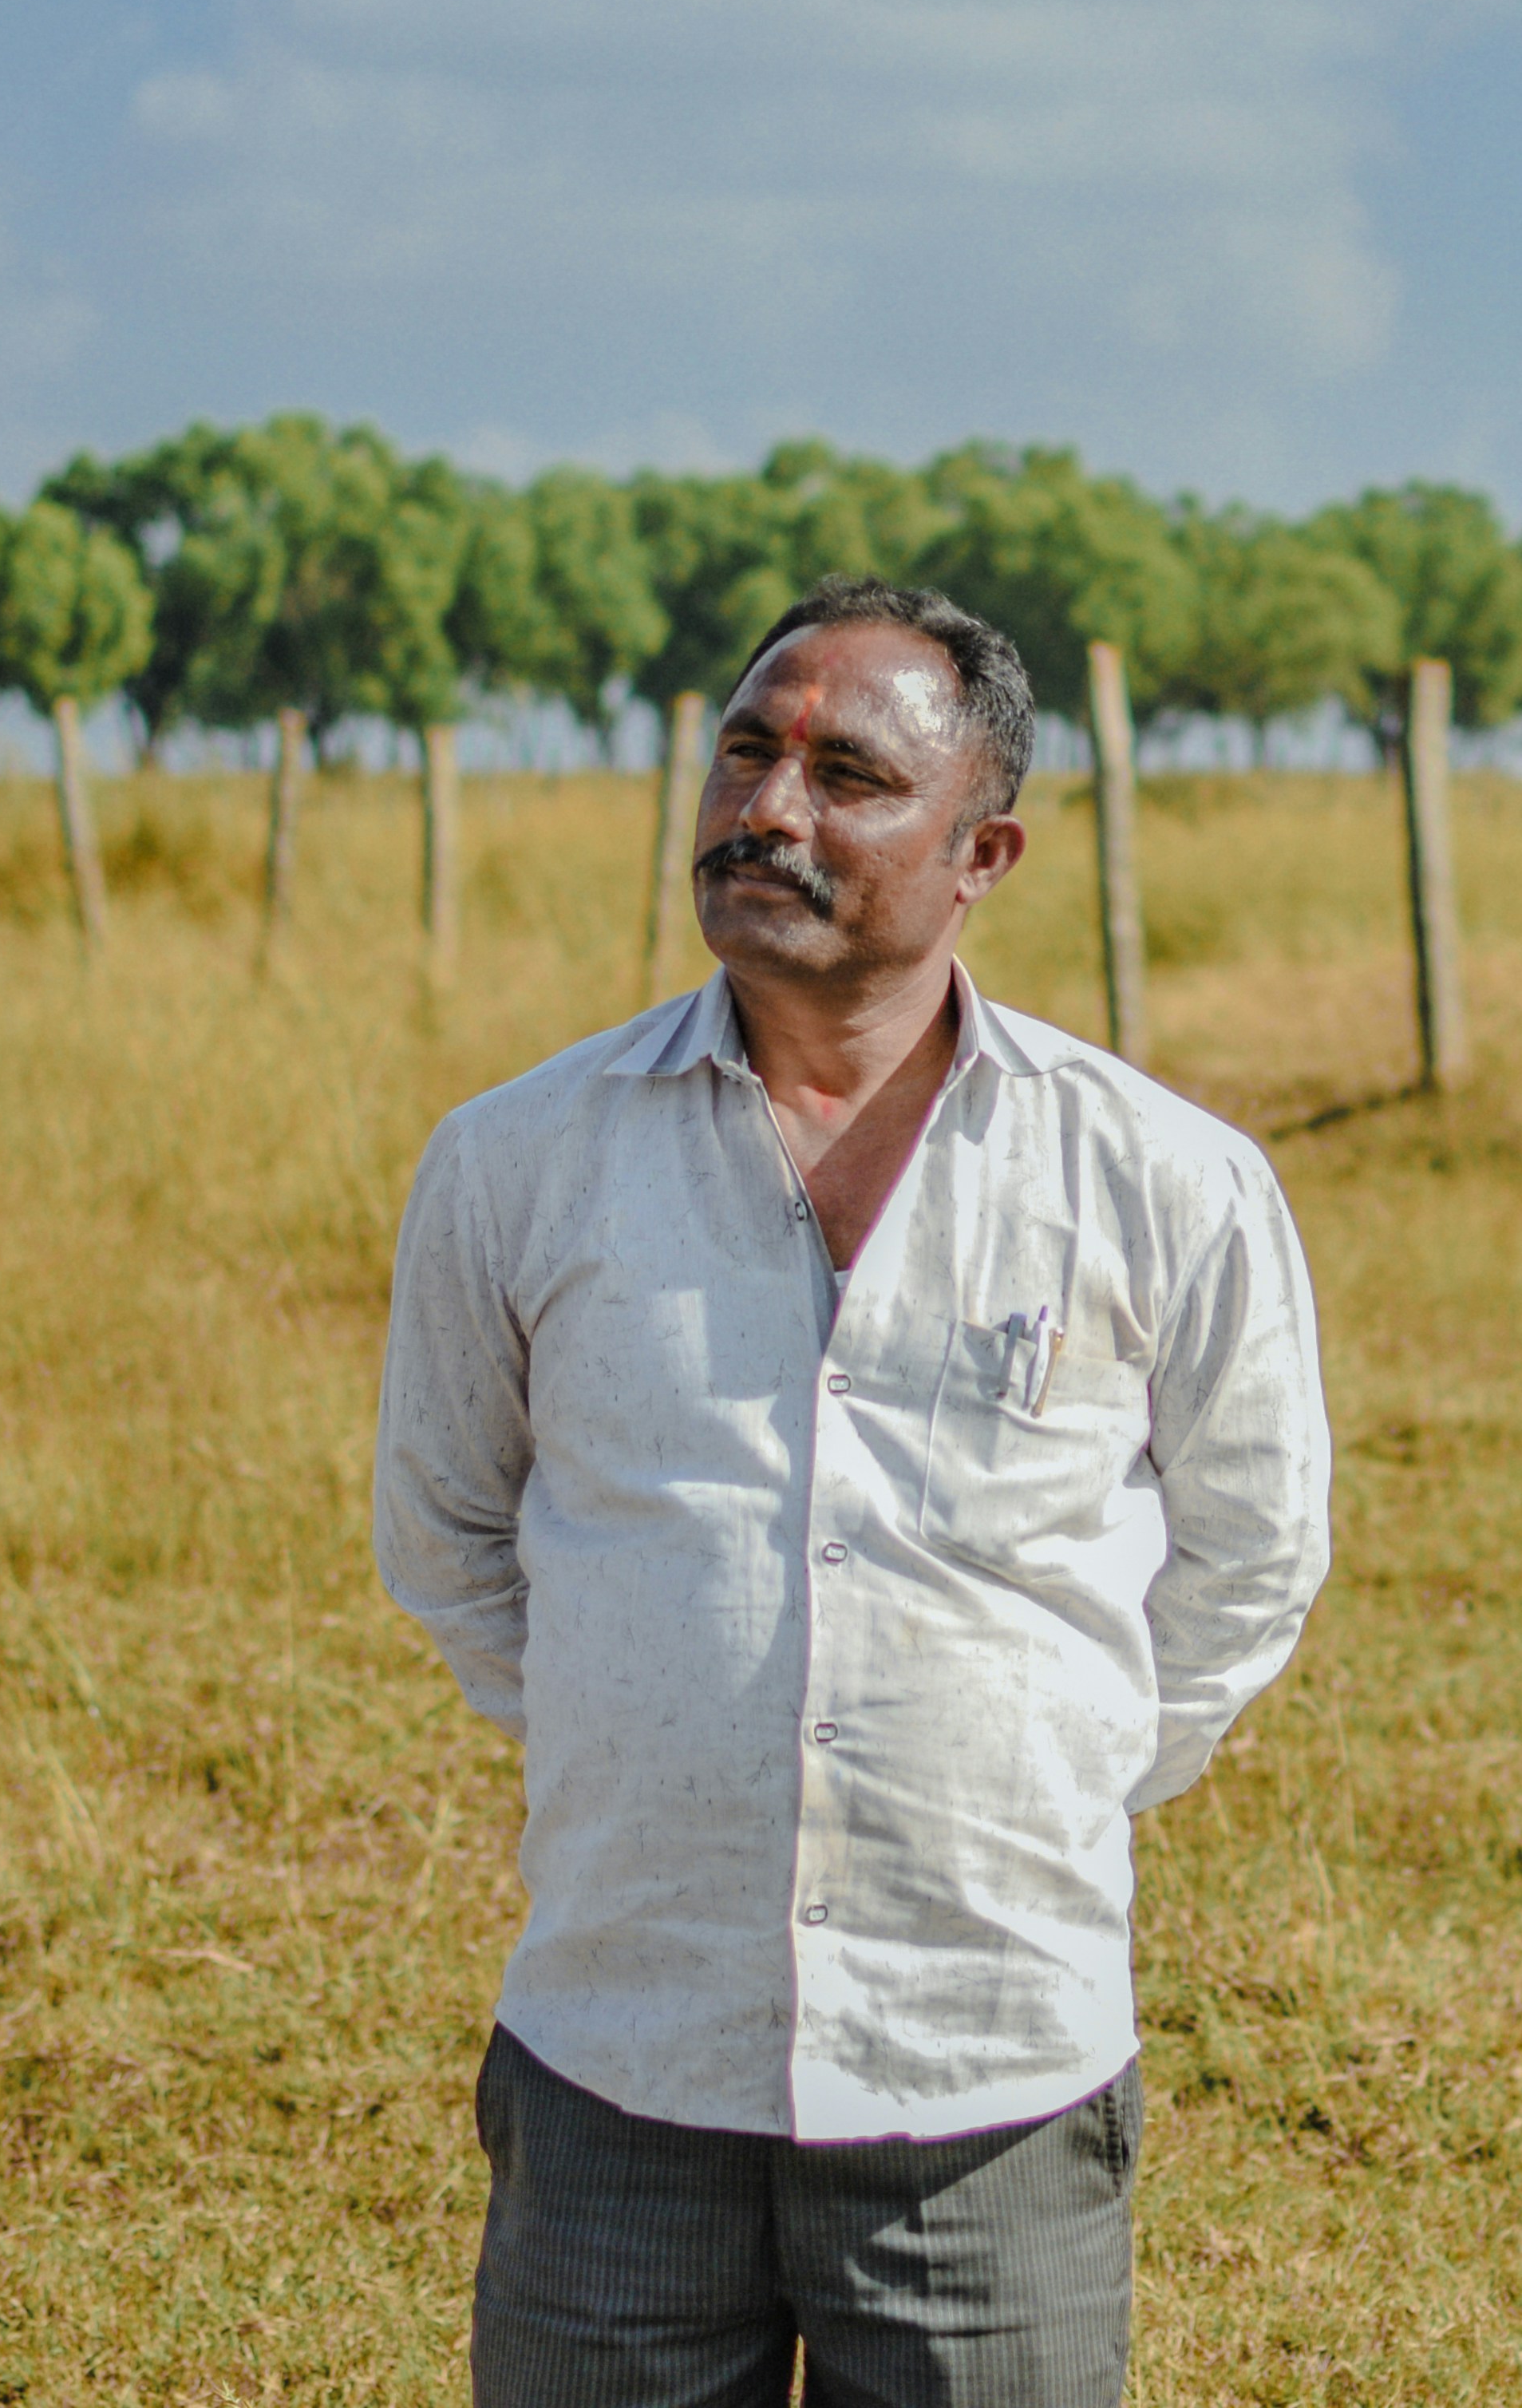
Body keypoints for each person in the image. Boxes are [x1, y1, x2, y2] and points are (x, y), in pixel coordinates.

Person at [374, 578, 1334, 2408]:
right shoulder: (519, 1161)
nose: (770, 811)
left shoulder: (1164, 1181)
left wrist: (1051, 1766)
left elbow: (1252, 1559)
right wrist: (643, 1717)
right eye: (746, 750)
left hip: (986, 2077)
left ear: (984, 848)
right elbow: (447, 1532)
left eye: (847, 774)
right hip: (623, 2053)